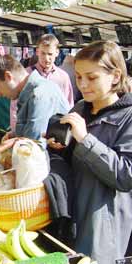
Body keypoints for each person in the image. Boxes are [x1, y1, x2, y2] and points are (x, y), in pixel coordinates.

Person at [47, 41, 132, 263]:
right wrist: (57, 147)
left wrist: (85, 139)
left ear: (115, 76)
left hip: (104, 227)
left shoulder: (128, 117)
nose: (83, 84)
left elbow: (125, 175)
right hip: (71, 217)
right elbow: (70, 159)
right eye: (78, 77)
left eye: (92, 77)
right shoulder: (79, 108)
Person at [0, 54, 69, 145]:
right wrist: (15, 135)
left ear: (8, 76)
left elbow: (32, 144)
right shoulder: (33, 93)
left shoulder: (38, 95)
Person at [31, 34, 74, 107]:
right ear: (37, 52)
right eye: (43, 53)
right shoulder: (27, 74)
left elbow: (69, 104)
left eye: (50, 54)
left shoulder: (63, 77)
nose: (46, 58)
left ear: (57, 52)